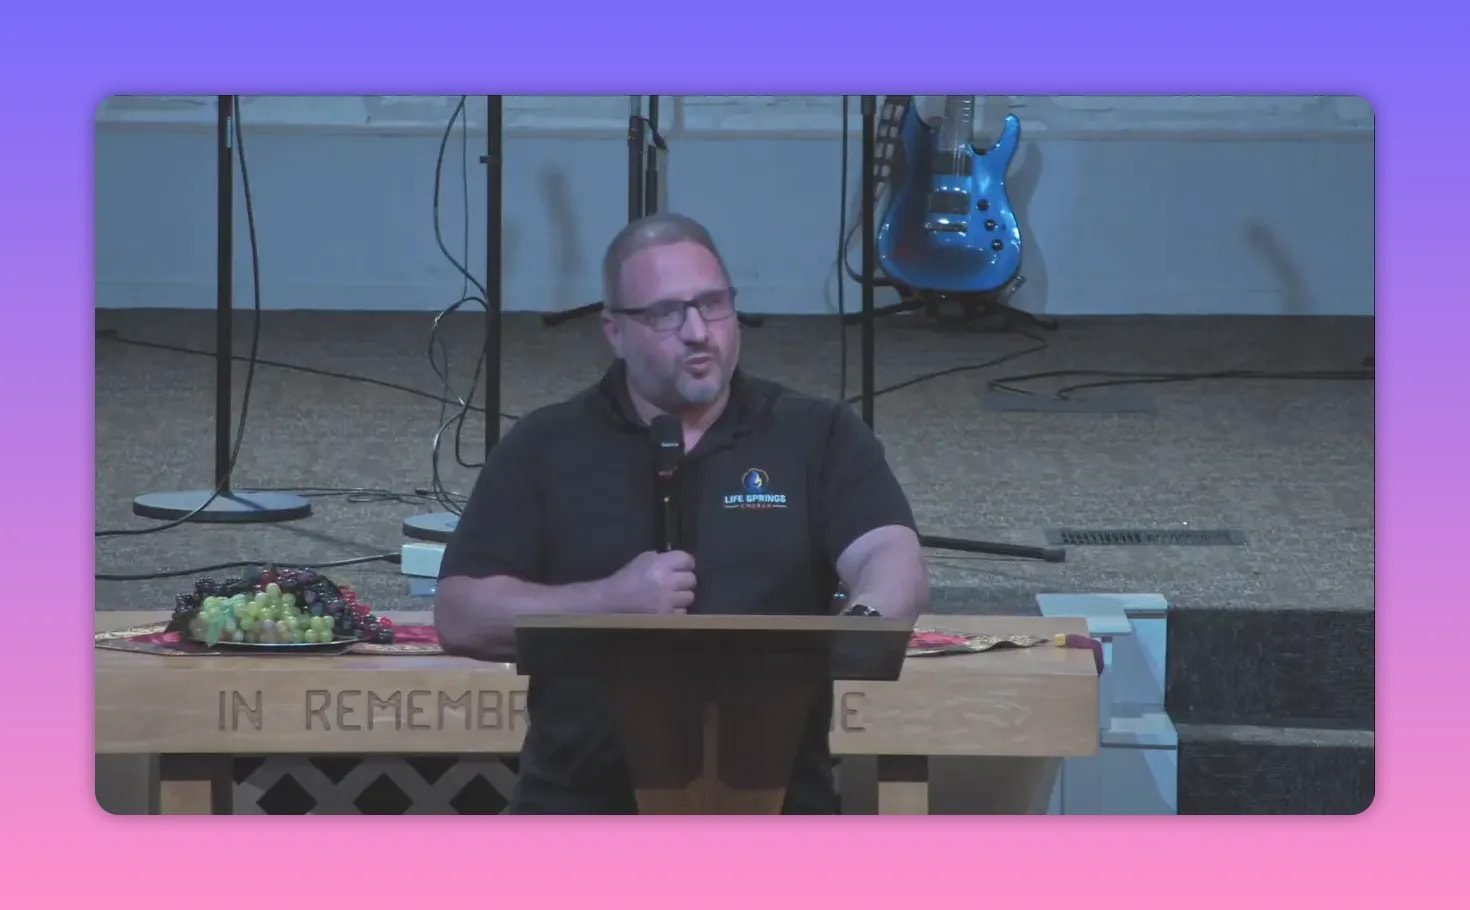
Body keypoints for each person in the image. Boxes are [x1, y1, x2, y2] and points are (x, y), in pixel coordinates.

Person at [434, 211, 929, 814]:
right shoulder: (546, 444)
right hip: (578, 813)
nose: (698, 332)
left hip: (778, 816)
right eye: (667, 313)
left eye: (713, 305)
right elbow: (460, 612)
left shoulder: (815, 433)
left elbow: (889, 553)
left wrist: (864, 623)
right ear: (615, 331)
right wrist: (608, 602)